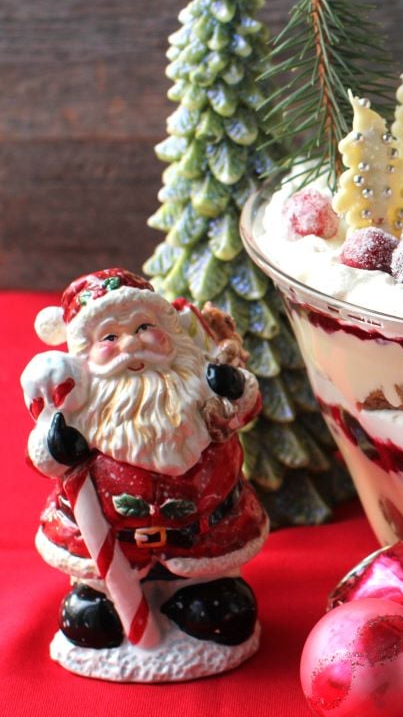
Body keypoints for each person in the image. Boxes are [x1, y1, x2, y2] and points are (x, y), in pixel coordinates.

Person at [22, 268, 267, 670]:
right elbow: (43, 461)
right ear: (85, 352)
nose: (131, 344)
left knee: (224, 615)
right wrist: (57, 443)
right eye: (110, 337)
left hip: (202, 533)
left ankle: (202, 594)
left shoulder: (197, 382)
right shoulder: (83, 401)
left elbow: (243, 411)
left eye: (143, 327)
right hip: (111, 543)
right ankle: (103, 601)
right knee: (90, 622)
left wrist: (232, 391)